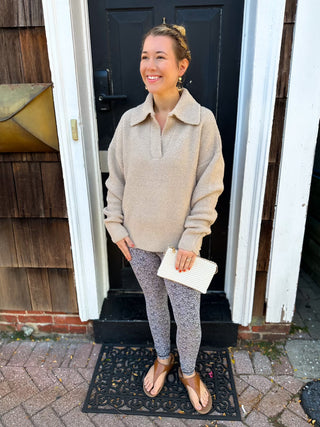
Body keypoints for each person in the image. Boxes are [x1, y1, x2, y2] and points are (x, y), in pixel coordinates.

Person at [104, 23, 224, 415]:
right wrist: (116, 227)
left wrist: (192, 238)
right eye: (144, 56)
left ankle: (189, 371)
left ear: (181, 65)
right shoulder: (128, 123)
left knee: (187, 316)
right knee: (154, 306)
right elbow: (116, 181)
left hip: (180, 248)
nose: (149, 65)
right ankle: (163, 357)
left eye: (160, 57)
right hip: (138, 243)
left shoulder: (201, 122)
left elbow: (209, 186)